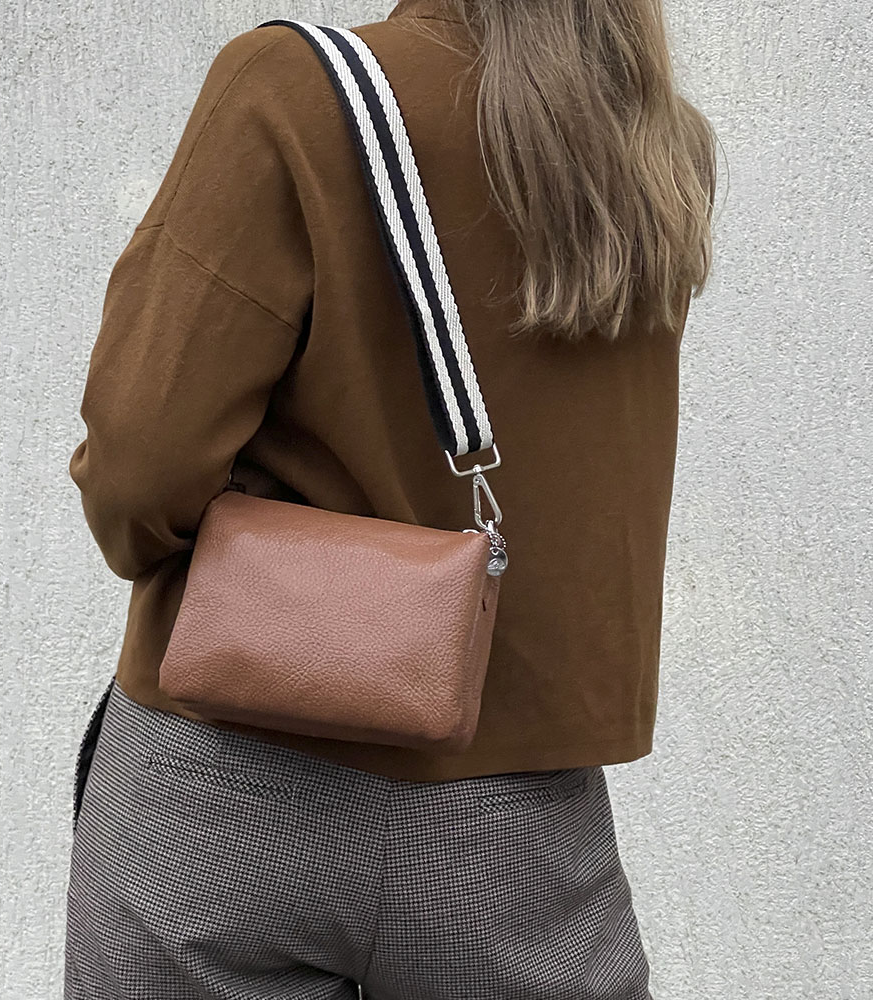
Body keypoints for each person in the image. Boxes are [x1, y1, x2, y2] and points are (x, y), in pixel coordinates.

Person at [62, 0, 716, 995]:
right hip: (516, 833)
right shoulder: (648, 144)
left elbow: (140, 464)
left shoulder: (290, 91)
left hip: (225, 792)